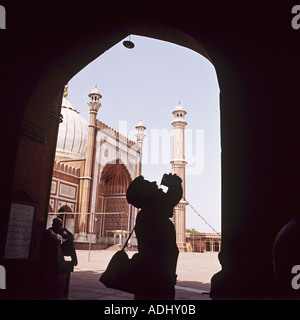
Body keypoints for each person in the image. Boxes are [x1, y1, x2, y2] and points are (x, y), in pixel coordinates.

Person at [126, 173, 183, 300]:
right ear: (146, 196)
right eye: (149, 185)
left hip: (154, 279)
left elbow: (169, 200)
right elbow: (172, 198)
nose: (155, 183)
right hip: (155, 281)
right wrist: (174, 182)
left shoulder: (148, 213)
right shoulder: (151, 214)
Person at [38, 217, 77, 298]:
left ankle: (74, 260)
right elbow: (56, 237)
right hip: (48, 253)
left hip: (56, 252)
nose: (59, 226)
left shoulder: (58, 231)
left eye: (60, 225)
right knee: (56, 244)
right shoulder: (49, 231)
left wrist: (66, 230)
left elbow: (71, 237)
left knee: (70, 242)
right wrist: (62, 233)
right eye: (57, 225)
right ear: (53, 224)